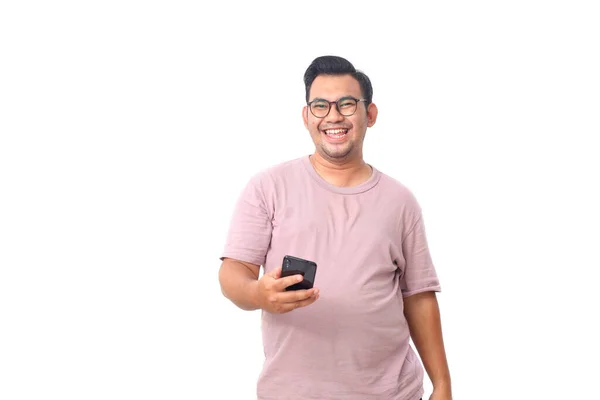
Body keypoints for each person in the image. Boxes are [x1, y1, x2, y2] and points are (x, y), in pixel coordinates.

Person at [218, 55, 452, 400]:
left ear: (369, 114)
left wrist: (443, 384)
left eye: (346, 104)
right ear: (306, 116)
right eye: (320, 106)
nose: (333, 116)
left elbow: (418, 296)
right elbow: (234, 270)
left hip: (392, 392)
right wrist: (257, 294)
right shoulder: (268, 186)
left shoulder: (400, 200)